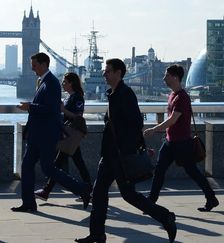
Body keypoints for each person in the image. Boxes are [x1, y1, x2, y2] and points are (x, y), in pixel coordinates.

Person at [75, 58, 176, 243]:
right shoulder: (113, 93)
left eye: (108, 71)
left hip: (120, 155)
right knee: (99, 193)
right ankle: (97, 234)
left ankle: (165, 217)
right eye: (105, 71)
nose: (104, 73)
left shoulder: (125, 94)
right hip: (109, 155)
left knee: (127, 195)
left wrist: (127, 148)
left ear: (118, 73)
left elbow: (136, 123)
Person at [11, 52, 91, 213]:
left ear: (43, 64)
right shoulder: (43, 81)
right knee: (27, 166)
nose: (32, 69)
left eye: (34, 65)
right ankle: (28, 203)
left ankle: (82, 189)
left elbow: (51, 110)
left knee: (48, 168)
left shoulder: (52, 83)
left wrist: (30, 107)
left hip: (46, 135)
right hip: (37, 134)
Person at [144, 64, 219, 212]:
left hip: (182, 143)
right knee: (159, 171)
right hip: (170, 142)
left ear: (175, 77)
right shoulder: (172, 95)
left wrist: (154, 129)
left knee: (193, 172)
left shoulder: (182, 97)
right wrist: (165, 134)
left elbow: (173, 120)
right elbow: (171, 122)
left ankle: (211, 198)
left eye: (166, 75)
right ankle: (150, 202)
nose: (164, 78)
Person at [34, 72, 92, 201]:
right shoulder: (68, 97)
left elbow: (78, 116)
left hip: (71, 134)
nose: (62, 84)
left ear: (71, 83)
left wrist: (63, 110)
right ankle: (88, 190)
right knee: (76, 163)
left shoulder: (77, 97)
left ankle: (46, 191)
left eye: (65, 82)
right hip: (67, 134)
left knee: (58, 164)